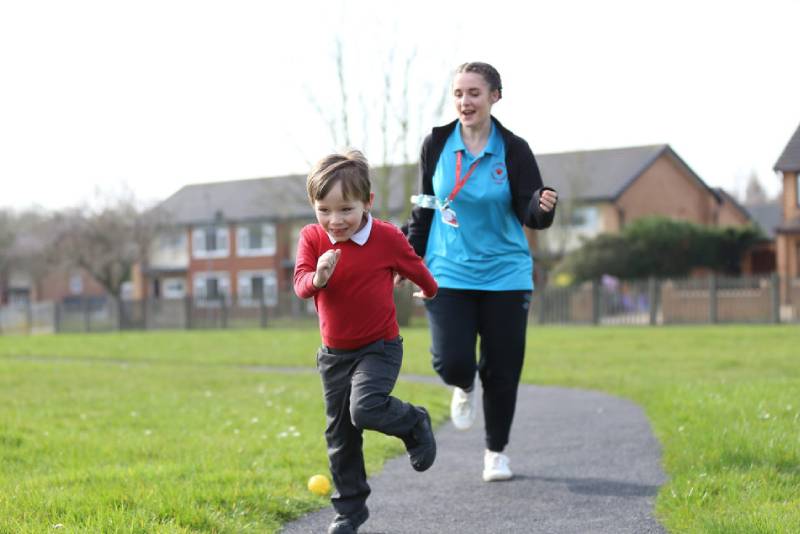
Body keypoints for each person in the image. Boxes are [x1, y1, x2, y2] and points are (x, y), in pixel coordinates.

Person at [403, 61, 558, 482]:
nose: (465, 101)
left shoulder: (514, 149)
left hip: (505, 273)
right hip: (447, 271)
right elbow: (424, 208)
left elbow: (529, 209)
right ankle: (463, 385)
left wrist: (541, 208)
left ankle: (496, 453)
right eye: (458, 93)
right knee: (452, 361)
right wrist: (409, 259)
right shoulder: (436, 144)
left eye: (474, 93)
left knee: (503, 369)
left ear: (494, 97)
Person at [294, 150, 439, 534]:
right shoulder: (311, 238)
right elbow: (301, 284)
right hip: (334, 356)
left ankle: (414, 423)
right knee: (340, 436)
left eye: (346, 209)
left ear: (367, 203)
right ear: (313, 207)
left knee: (366, 409)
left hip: (379, 347)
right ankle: (350, 511)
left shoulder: (387, 237)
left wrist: (429, 290)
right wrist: (319, 278)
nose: (335, 220)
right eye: (324, 209)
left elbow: (415, 267)